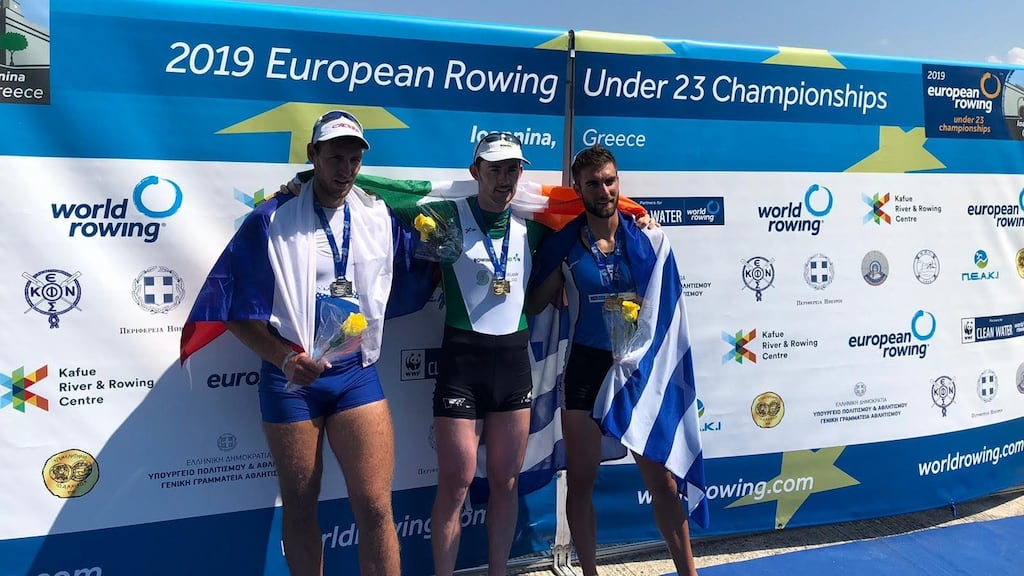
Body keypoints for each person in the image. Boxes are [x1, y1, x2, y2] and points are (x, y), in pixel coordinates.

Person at [183, 110, 407, 576]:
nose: (345, 170)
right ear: (313, 156)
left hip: (355, 376)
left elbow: (429, 239)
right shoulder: (271, 218)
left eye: (353, 159)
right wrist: (284, 357)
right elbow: (236, 313)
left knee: (375, 508)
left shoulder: (376, 215)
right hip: (292, 381)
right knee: (302, 507)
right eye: (335, 158)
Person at [527, 144, 702, 576]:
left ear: (617, 182)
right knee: (583, 479)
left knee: (662, 482)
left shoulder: (645, 239)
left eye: (609, 180)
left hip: (637, 370)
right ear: (578, 188)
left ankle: (689, 572)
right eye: (592, 183)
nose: (603, 190)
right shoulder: (565, 245)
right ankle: (589, 572)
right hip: (587, 369)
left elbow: (666, 300)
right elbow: (533, 306)